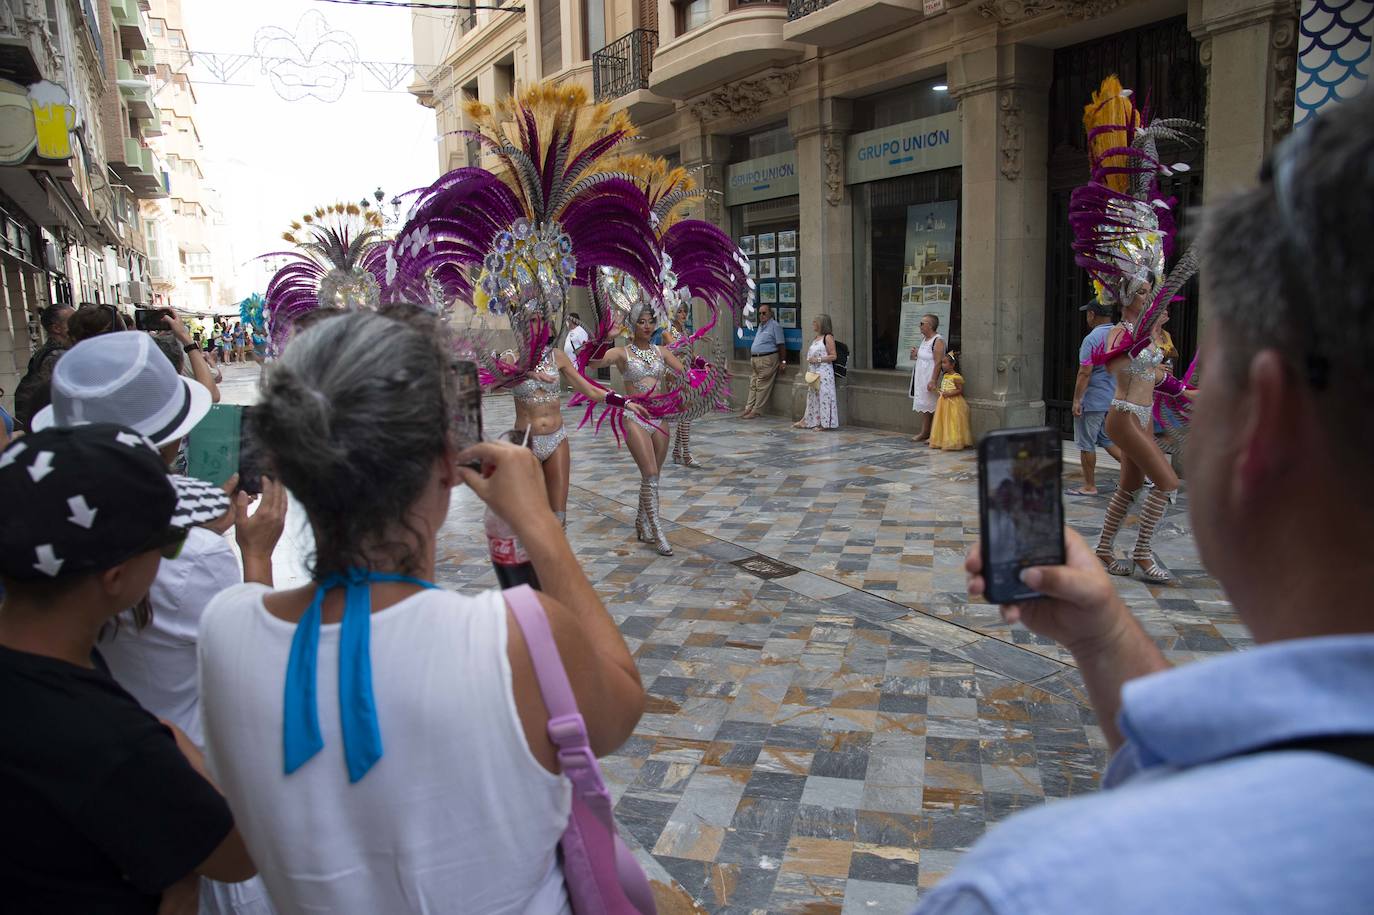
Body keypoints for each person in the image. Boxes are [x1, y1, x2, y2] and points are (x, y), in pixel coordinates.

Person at [918, 88, 1374, 915]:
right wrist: (1110, 635)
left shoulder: (1032, 889)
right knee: (1138, 484)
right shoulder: (1119, 336)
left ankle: (1134, 545)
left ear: (1262, 419)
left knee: (1146, 484)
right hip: (1120, 419)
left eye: (1220, 369)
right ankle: (1131, 550)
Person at [197, 309, 646, 913]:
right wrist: (539, 522)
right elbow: (621, 705)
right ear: (446, 460)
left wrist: (255, 556)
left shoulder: (224, 631)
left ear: (288, 467)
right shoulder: (516, 636)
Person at [0, 424, 257, 914]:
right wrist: (173, 740)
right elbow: (240, 853)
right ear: (115, 577)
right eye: (165, 543)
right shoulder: (116, 742)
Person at [590, 303, 691, 556]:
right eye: (641, 322)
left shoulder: (661, 352)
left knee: (653, 477)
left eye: (650, 322)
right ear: (632, 325)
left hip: (660, 417)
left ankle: (640, 520)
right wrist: (605, 338)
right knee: (650, 473)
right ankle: (657, 531)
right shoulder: (622, 353)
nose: (647, 327)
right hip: (635, 417)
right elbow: (593, 363)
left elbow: (685, 372)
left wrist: (703, 371)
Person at [1070, 298, 1124, 495]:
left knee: (1086, 443)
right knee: (1107, 440)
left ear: (1092, 314)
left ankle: (1089, 486)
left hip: (1092, 399)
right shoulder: (1119, 335)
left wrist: (1077, 400)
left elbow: (1085, 372)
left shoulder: (1092, 339)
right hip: (1112, 396)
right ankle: (1138, 474)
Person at [12, 302, 72, 433]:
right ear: (57, 328)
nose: (78, 325)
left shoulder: (51, 352)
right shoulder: (56, 356)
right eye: (72, 321)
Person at [665, 304, 705, 466]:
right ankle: (686, 455)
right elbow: (678, 347)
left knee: (685, 413)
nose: (683, 315)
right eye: (679, 312)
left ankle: (677, 451)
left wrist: (703, 363)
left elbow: (691, 353)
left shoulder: (685, 332)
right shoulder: (667, 331)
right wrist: (694, 338)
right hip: (674, 375)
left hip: (686, 373)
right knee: (686, 413)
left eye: (685, 311)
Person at [742, 303, 786, 419]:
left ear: (770, 313)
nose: (761, 315)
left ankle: (756, 410)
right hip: (756, 360)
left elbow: (781, 344)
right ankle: (748, 408)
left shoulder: (774, 325)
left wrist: (783, 361)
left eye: (764, 313)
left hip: (768, 359)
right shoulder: (761, 326)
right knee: (753, 384)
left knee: (762, 385)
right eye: (760, 313)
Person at [795, 313, 839, 431]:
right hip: (814, 371)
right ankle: (808, 420)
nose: (813, 324)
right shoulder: (816, 338)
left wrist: (818, 359)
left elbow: (833, 356)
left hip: (824, 372)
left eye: (815, 322)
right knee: (813, 397)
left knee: (824, 397)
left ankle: (824, 423)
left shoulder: (828, 337)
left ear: (821, 324)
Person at [909, 313, 946, 442]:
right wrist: (915, 354)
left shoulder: (938, 340)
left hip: (930, 377)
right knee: (926, 406)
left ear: (929, 326)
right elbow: (922, 357)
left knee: (934, 406)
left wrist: (933, 380)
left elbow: (938, 362)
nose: (919, 326)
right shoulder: (924, 340)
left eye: (922, 323)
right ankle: (924, 432)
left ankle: (935, 434)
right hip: (921, 377)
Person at [929, 350, 972, 450]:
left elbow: (960, 390)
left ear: (952, 365)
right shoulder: (945, 376)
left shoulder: (956, 377)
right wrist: (936, 390)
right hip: (943, 402)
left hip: (953, 403)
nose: (943, 365)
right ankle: (942, 440)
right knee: (942, 421)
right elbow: (942, 389)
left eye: (945, 363)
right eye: (942, 363)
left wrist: (949, 393)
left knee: (952, 421)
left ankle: (953, 441)